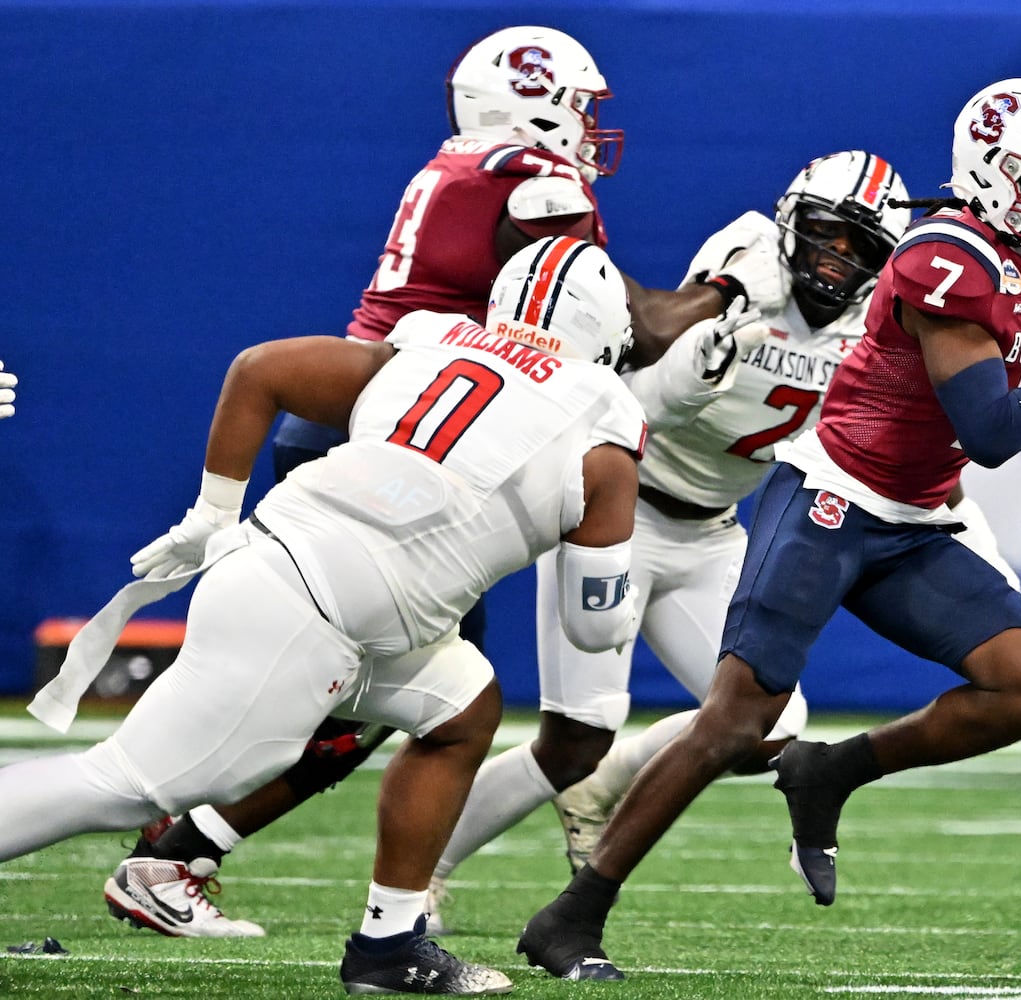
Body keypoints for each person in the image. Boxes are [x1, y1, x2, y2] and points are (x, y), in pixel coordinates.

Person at [99, 23, 768, 939]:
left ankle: (181, 848)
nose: (587, 125)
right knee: (423, 698)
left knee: (395, 695)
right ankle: (184, 856)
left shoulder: (457, 166)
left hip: (381, 418)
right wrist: (727, 287)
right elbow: (637, 324)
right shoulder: (533, 177)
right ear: (529, 101)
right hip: (408, 444)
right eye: (578, 104)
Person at [516, 77, 1021, 980]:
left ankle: (834, 772)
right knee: (733, 723)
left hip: (916, 514)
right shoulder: (944, 258)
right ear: (994, 176)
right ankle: (571, 917)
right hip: (833, 497)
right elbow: (988, 432)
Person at [10, 235, 663, 995]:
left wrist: (212, 515)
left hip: (310, 577)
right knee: (123, 783)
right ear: (605, 329)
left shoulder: (432, 340)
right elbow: (593, 628)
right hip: (307, 607)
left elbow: (261, 370)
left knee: (461, 707)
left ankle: (389, 947)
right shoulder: (602, 431)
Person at [423, 151, 950, 927]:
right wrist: (681, 376)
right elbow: (635, 402)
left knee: (772, 720)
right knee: (575, 734)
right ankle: (420, 875)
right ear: (790, 223)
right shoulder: (747, 266)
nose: (837, 256)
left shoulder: (875, 320)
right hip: (617, 513)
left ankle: (605, 784)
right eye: (825, 233)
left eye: (860, 245)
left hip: (711, 532)